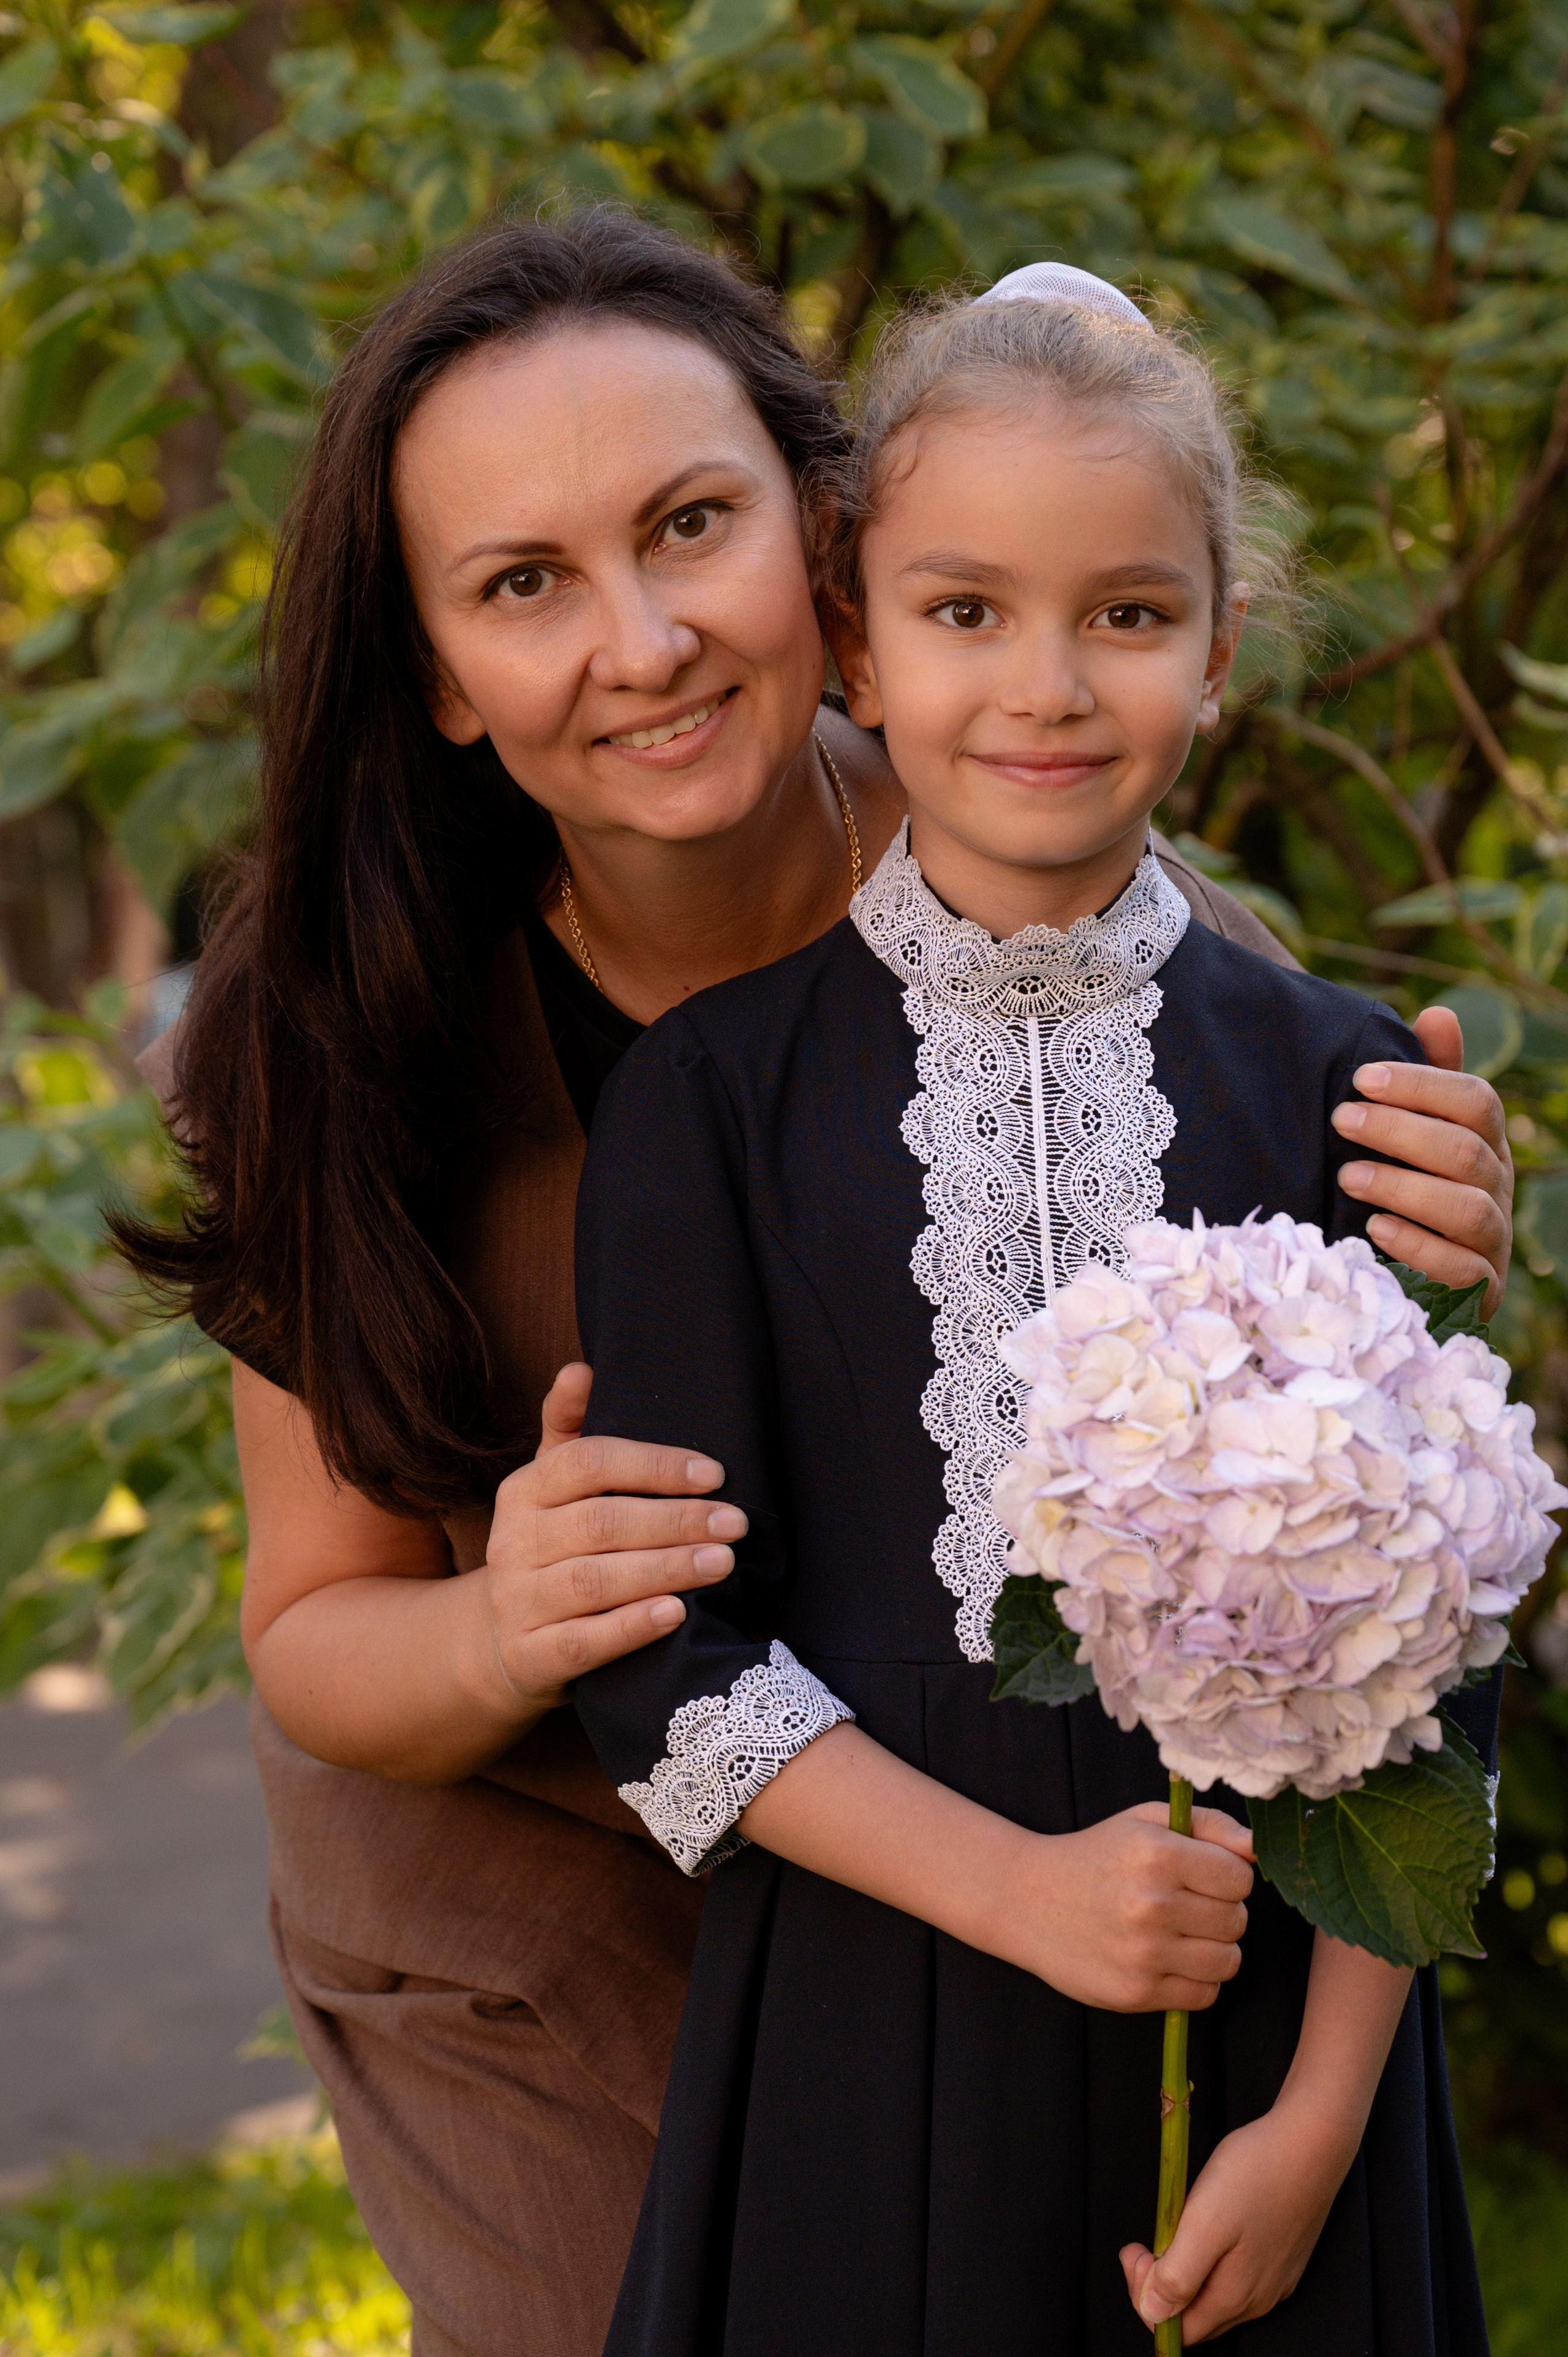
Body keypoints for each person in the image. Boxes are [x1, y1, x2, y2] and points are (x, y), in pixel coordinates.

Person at [126, 220, 1513, 2357]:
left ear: (828, 548)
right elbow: (314, 1633)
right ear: (432, 668)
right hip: (537, 1881)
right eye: (522, 584)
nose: (649, 638)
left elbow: (1394, 1518)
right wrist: (513, 1616)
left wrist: (1434, 1224)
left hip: (1071, 1892)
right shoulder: (345, 1042)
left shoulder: (1070, 856)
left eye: (695, 524)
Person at [569, 268, 1497, 2354]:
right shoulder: (707, 1102)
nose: (1048, 686)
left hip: (1271, 2018)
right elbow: (659, 1667)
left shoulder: (1354, 1086)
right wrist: (1017, 1894)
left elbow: (1444, 1644)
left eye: (1131, 617)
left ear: (1222, 654)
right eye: (967, 611)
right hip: (875, 2004)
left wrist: (1328, 2113)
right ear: (856, 645)